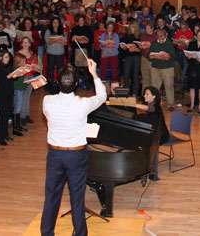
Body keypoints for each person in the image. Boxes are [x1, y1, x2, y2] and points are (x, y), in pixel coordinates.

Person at [41, 59, 105, 236]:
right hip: (77, 155)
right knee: (77, 198)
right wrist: (94, 74)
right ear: (77, 84)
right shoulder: (82, 104)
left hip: (55, 154)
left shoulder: (47, 101)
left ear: (57, 82)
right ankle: (79, 233)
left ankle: (47, 233)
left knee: (52, 196)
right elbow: (101, 97)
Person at [134, 86, 170, 181]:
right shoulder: (152, 105)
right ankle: (143, 168)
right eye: (144, 93)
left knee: (152, 145)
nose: (144, 96)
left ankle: (153, 173)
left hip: (161, 134)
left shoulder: (156, 106)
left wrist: (134, 104)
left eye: (147, 94)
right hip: (154, 132)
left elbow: (149, 108)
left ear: (153, 97)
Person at [0, 50, 20, 145]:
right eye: (6, 57)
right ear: (0, 58)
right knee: (3, 116)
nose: (8, 59)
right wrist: (11, 75)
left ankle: (5, 134)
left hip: (9, 93)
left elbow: (14, 78)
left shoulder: (8, 67)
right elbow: (1, 79)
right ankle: (0, 137)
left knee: (7, 115)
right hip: (1, 95)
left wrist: (18, 74)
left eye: (8, 57)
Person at [148, 29, 176, 111]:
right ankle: (155, 104)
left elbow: (172, 55)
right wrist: (151, 56)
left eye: (161, 36)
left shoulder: (169, 43)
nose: (159, 38)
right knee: (155, 87)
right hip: (155, 67)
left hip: (167, 67)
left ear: (165, 35)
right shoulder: (154, 43)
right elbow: (149, 54)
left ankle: (170, 104)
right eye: (158, 36)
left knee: (168, 86)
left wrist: (166, 57)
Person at [120, 21, 142, 96]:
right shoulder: (126, 35)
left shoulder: (139, 36)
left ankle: (135, 92)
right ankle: (126, 92)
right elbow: (122, 44)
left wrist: (138, 49)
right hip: (128, 56)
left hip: (136, 56)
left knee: (135, 75)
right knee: (126, 74)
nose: (132, 29)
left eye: (133, 27)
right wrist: (123, 47)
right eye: (131, 27)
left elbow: (142, 48)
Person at [45, 17, 67, 82]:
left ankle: (60, 83)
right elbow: (48, 41)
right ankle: (50, 83)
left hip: (60, 53)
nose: (55, 24)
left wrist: (53, 40)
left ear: (59, 23)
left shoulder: (63, 32)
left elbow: (65, 42)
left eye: (57, 22)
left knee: (60, 69)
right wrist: (59, 39)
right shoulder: (48, 31)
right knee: (50, 69)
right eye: (54, 22)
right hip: (51, 53)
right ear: (51, 23)